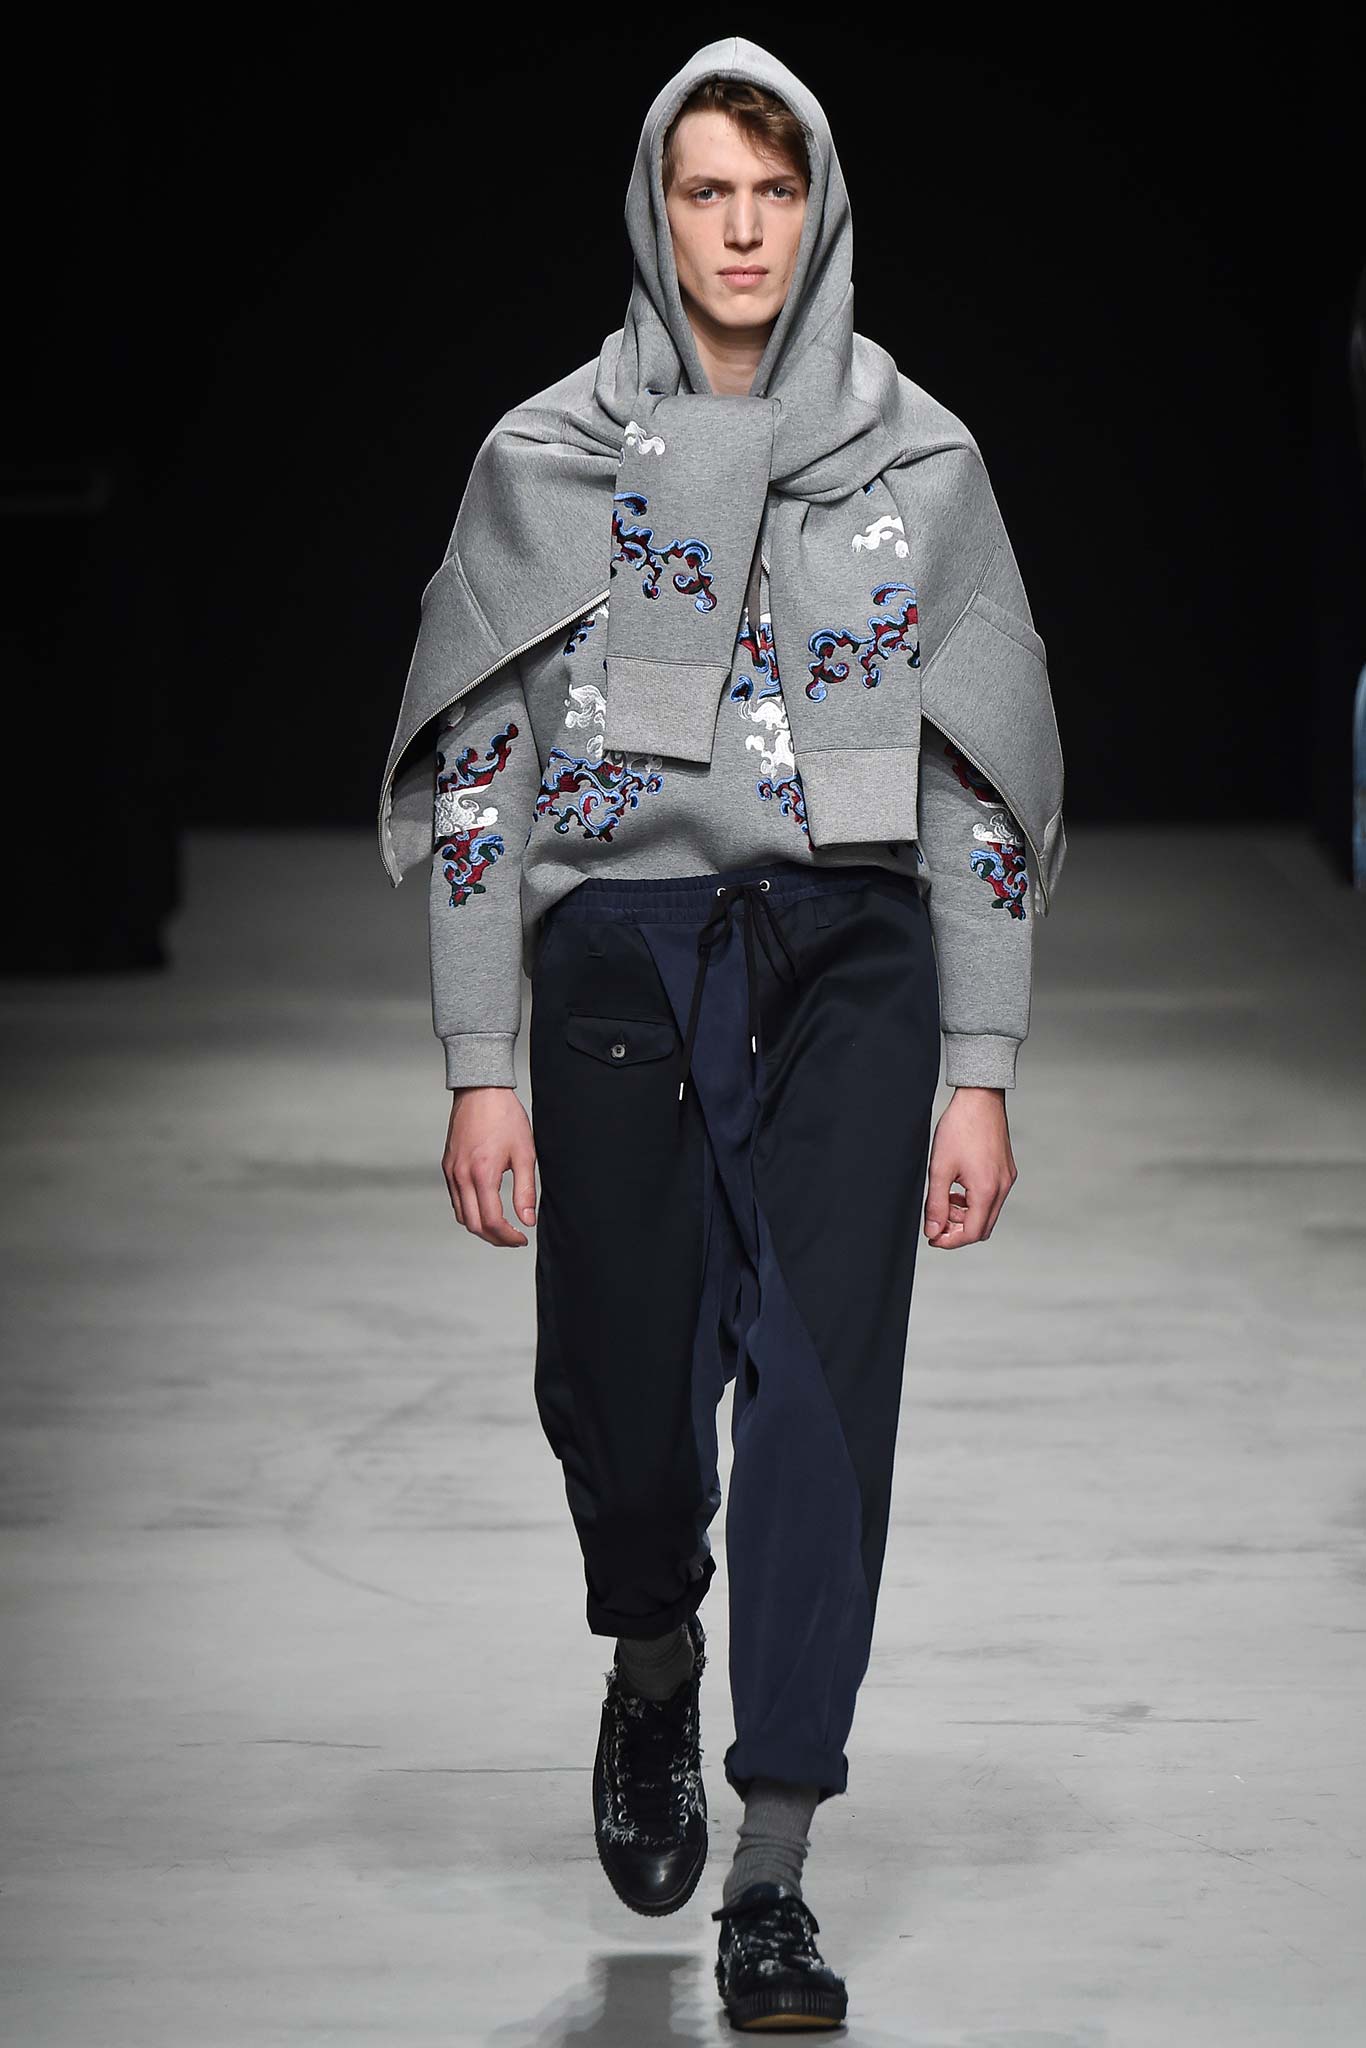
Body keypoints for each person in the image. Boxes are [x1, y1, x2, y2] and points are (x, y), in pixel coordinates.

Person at [377, 35, 1066, 2036]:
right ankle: (652, 1650)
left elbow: (973, 778)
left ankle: (772, 1866)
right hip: (619, 950)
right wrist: (476, 1055)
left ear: (819, 206)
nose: (742, 230)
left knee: (822, 1398)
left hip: (851, 952)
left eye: (774, 190)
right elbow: (486, 766)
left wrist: (979, 1065)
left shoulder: (918, 462)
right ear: (654, 211)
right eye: (707, 191)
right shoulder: (546, 459)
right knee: (624, 1394)